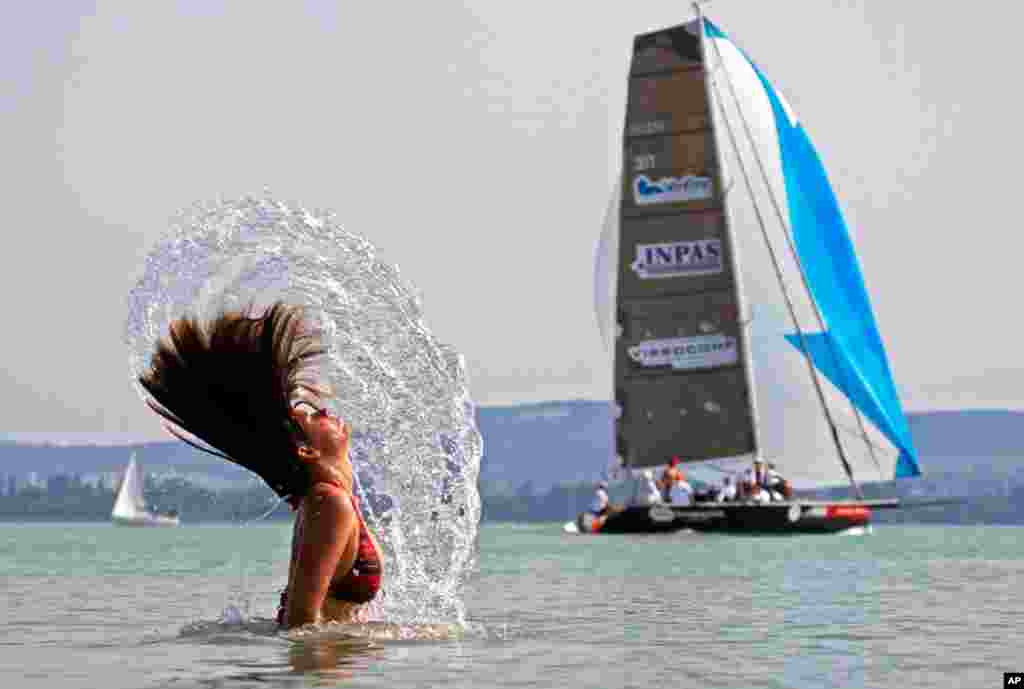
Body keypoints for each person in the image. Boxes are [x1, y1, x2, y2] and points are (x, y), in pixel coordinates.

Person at [137, 301, 383, 628]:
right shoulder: (330, 502)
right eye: (310, 417)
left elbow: (331, 617)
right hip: (320, 675)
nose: (321, 411)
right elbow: (301, 624)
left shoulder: (327, 499)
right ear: (306, 451)